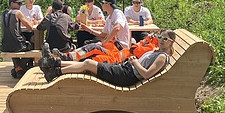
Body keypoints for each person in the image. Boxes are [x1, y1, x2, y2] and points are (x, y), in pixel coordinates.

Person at [39, 29, 176, 84]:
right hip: (125, 68)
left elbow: (146, 74)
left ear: (171, 42)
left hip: (127, 74)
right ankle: (54, 63)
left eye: (165, 39)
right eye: (160, 37)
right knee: (88, 62)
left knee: (88, 64)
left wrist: (134, 62)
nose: (161, 40)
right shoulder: (156, 51)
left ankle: (55, 70)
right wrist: (147, 40)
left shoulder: (162, 57)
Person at [52, 0, 129, 64]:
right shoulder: (109, 18)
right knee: (90, 49)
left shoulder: (117, 13)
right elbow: (102, 35)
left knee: (93, 48)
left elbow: (117, 28)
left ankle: (65, 58)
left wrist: (104, 42)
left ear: (108, 4)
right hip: (111, 46)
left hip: (119, 48)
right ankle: (63, 59)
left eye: (103, 2)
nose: (101, 4)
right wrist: (89, 30)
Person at [0, 0, 34, 78]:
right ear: (11, 3)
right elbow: (30, 27)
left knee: (13, 49)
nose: (20, 5)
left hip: (4, 45)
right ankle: (20, 68)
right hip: (17, 44)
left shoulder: (3, 13)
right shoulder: (17, 13)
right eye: (18, 3)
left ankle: (18, 69)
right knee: (33, 46)